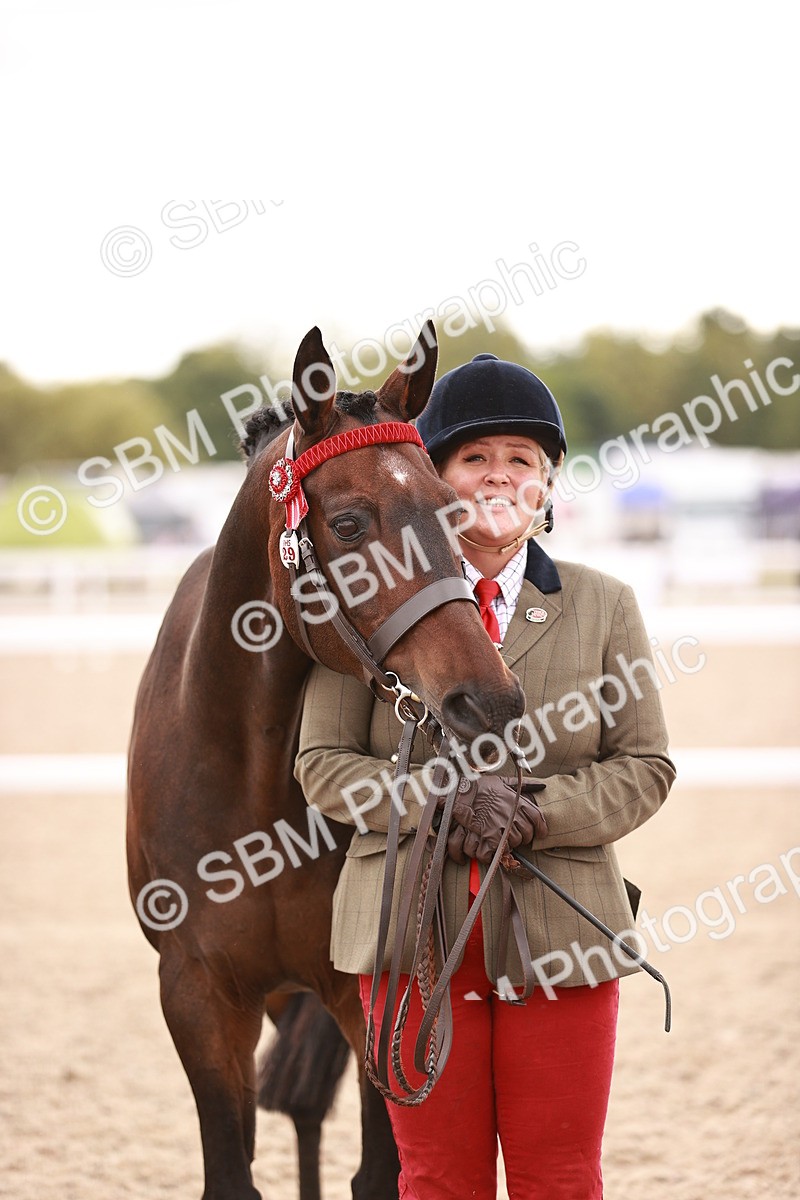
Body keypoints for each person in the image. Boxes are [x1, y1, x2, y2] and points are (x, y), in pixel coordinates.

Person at [295, 351, 676, 1199]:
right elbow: (322, 765)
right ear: (431, 481)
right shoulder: (365, 598)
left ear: (548, 484)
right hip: (407, 933)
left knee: (561, 1177)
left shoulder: (605, 604)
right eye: (474, 457)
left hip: (563, 932)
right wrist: (440, 801)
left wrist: (533, 811)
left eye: (521, 459)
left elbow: (644, 766)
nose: (500, 475)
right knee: (436, 1179)